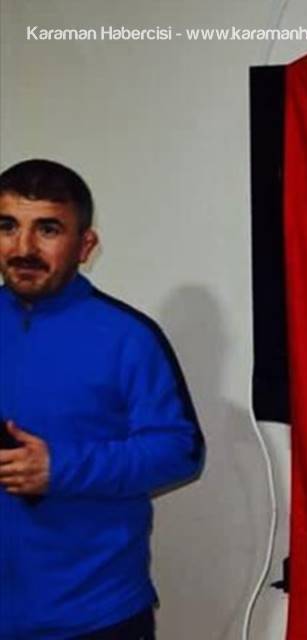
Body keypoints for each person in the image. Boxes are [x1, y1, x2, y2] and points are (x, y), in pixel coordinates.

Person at [0, 159, 203, 639]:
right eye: (8, 226)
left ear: (85, 245)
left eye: (48, 229)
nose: (24, 248)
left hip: (96, 616)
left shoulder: (129, 337)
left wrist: (60, 468)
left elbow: (179, 451)